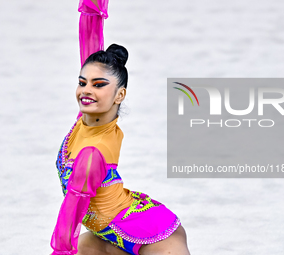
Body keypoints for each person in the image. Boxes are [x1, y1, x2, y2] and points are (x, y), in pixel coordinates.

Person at [50, 1, 191, 255]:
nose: (86, 91)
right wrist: (93, 9)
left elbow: (72, 208)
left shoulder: (95, 150)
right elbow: (91, 51)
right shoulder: (87, 119)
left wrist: (61, 252)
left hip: (153, 236)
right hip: (106, 236)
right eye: (82, 82)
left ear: (119, 95)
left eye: (98, 84)